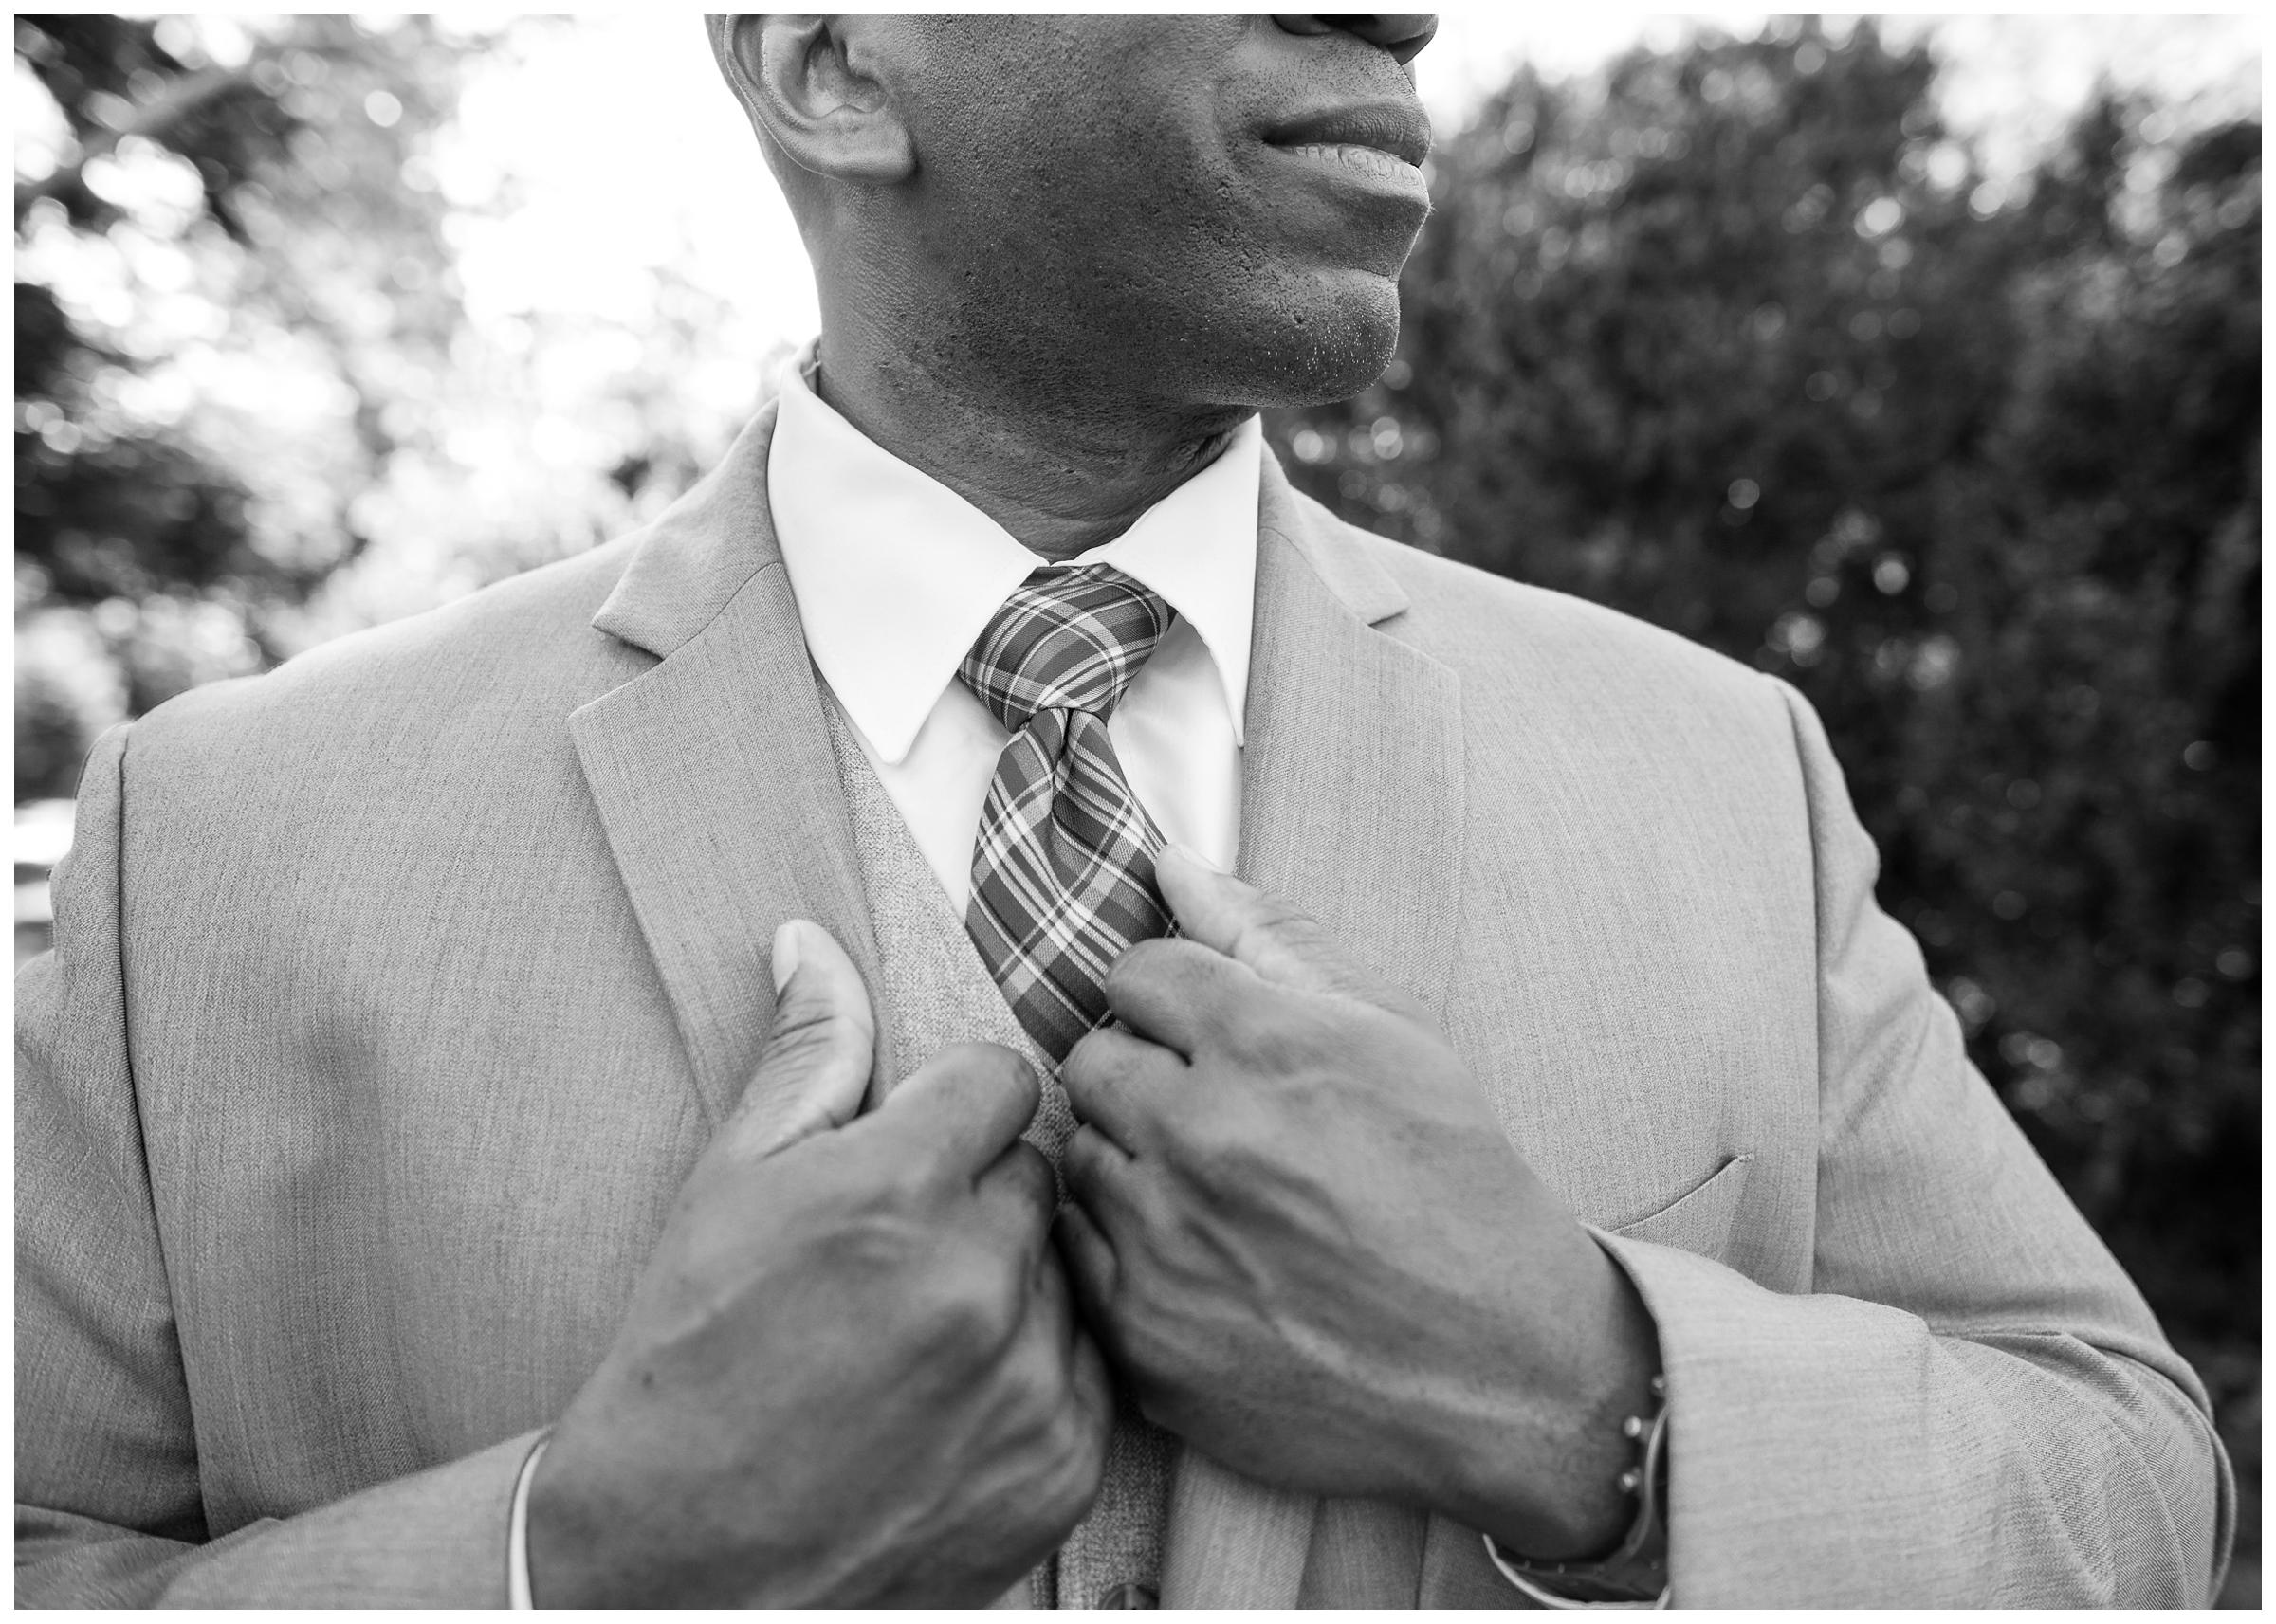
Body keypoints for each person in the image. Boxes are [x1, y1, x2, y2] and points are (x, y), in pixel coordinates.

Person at [14, 14, 2230, 1609]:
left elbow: (2134, 1489)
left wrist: (1596, 1399)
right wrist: (571, 1559)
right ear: (836, 63)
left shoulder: (1716, 764)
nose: (1401, 14)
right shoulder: (216, 836)